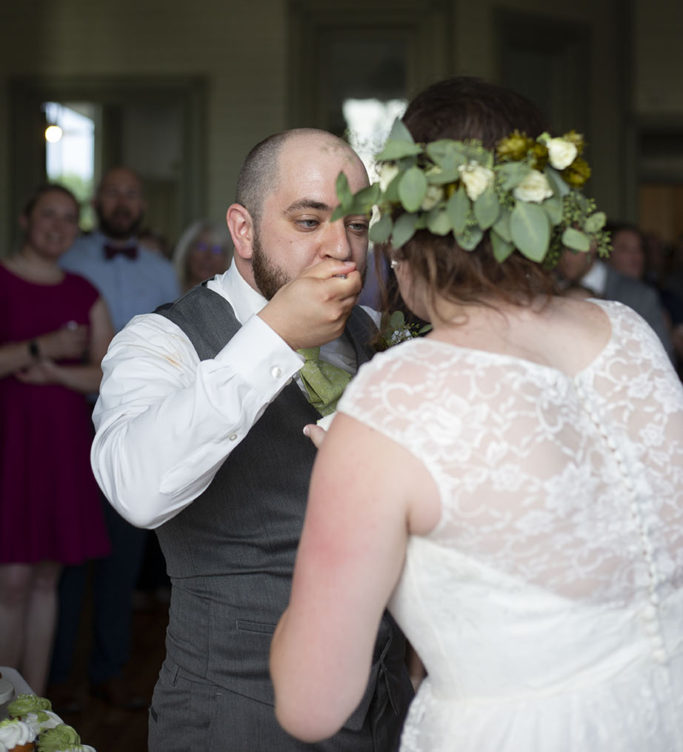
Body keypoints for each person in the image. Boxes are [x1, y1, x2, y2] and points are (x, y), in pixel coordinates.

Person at [270, 78, 683, 751]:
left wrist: (339, 493)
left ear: (401, 229)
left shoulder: (394, 399)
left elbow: (311, 705)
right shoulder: (626, 332)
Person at [90, 129, 413, 752]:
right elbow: (135, 491)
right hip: (237, 713)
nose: (340, 248)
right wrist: (272, 337)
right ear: (243, 231)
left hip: (384, 705)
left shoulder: (378, 337)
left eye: (355, 223)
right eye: (309, 220)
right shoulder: (161, 340)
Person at [50, 167, 180, 710]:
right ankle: (56, 677)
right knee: (67, 560)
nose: (122, 202)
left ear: (141, 202)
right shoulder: (67, 264)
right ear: (97, 200)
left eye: (132, 192)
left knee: (122, 554)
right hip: (71, 420)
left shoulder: (160, 270)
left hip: (141, 423)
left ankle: (110, 670)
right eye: (113, 192)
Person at [0, 184, 113, 694]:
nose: (59, 225)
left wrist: (57, 374)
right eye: (49, 214)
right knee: (13, 581)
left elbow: (109, 374)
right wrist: (39, 348)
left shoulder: (84, 291)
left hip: (61, 446)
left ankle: (32, 714)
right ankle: (2, 716)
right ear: (25, 219)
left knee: (48, 580)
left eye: (70, 217)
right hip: (9, 446)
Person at [172, 219, 231, 292]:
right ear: (187, 252)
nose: (208, 256)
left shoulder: (234, 300)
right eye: (201, 247)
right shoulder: (166, 291)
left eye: (217, 250)